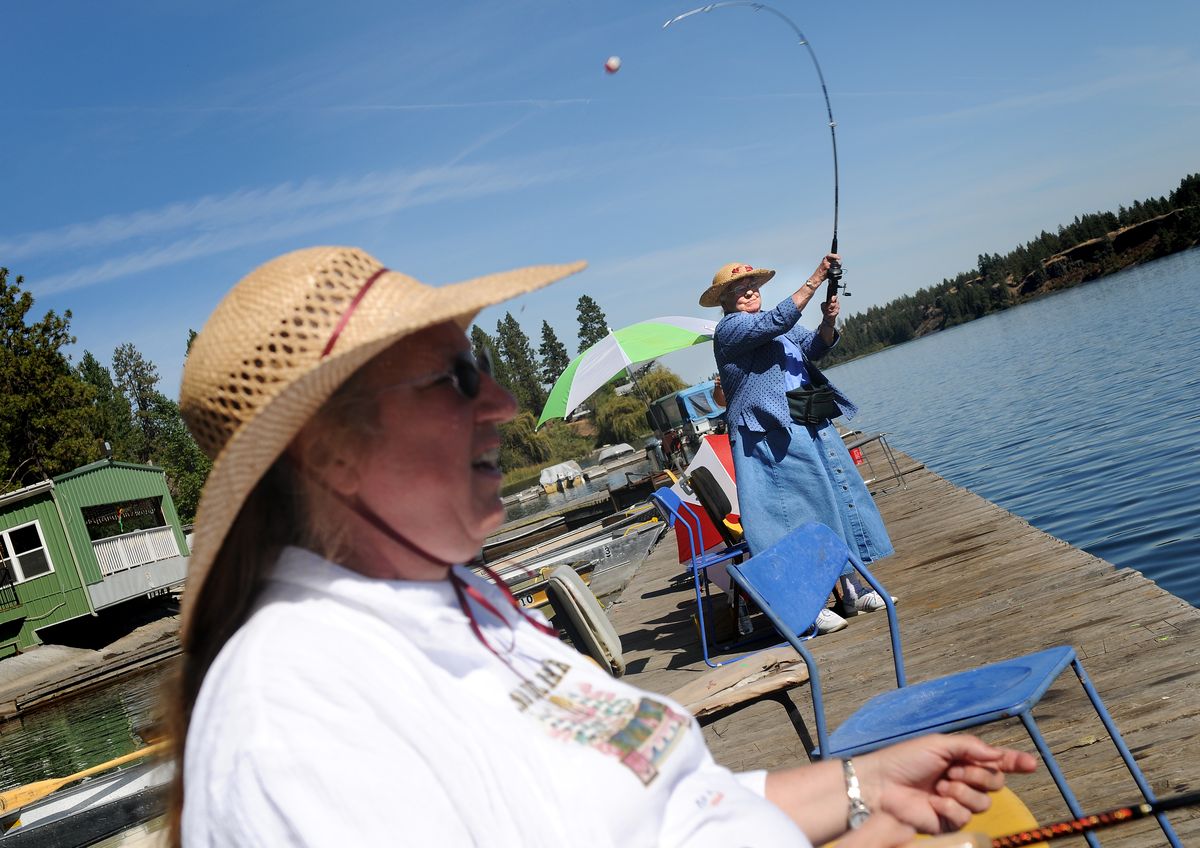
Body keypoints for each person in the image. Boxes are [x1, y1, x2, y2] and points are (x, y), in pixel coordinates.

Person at [167, 246, 1035, 847]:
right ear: (332, 452)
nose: (502, 403)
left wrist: (860, 789)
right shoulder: (291, 718)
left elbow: (654, 803)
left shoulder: (463, 603)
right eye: (457, 377)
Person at [703, 256, 895, 634]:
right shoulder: (732, 329)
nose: (747, 291)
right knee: (791, 518)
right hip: (766, 432)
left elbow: (816, 348)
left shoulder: (774, 328)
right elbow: (779, 318)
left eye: (752, 285)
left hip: (806, 418)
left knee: (835, 500)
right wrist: (816, 279)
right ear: (723, 301)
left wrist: (828, 321)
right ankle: (810, 605)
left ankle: (852, 588)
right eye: (737, 289)